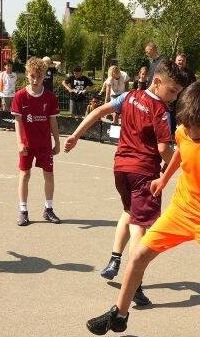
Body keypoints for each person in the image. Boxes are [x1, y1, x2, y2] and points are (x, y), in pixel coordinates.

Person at [84, 82, 200, 337]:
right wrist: (164, 178)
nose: (193, 132)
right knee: (139, 255)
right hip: (182, 210)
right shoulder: (183, 132)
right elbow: (180, 155)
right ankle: (119, 313)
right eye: (188, 126)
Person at [65, 61, 188, 307]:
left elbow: (99, 112)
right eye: (172, 90)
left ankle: (114, 259)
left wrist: (76, 135)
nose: (174, 97)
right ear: (157, 81)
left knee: (129, 213)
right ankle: (135, 286)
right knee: (140, 229)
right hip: (144, 173)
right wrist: (185, 164)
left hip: (121, 169)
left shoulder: (129, 96)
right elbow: (164, 148)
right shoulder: (160, 110)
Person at [11, 57, 61, 226]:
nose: (35, 80)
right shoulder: (20, 96)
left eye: (38, 77)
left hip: (45, 144)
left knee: (49, 176)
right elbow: (18, 121)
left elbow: (53, 121)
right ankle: (23, 210)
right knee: (24, 175)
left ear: (44, 77)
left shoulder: (50, 97)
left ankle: (48, 209)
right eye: (32, 76)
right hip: (26, 144)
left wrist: (57, 142)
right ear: (27, 75)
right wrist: (19, 142)